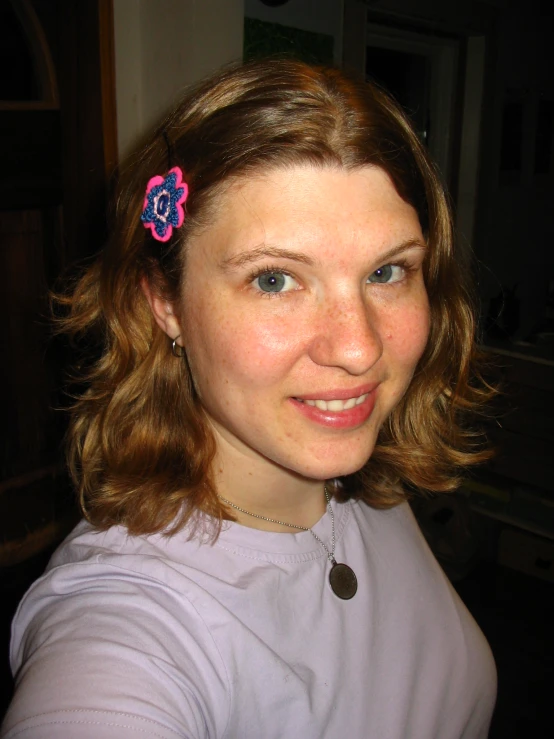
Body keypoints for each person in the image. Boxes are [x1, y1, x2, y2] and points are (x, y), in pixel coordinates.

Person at [1, 59, 496, 739]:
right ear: (163, 301)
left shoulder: (361, 477)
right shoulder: (128, 621)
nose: (359, 349)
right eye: (274, 280)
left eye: (387, 271)